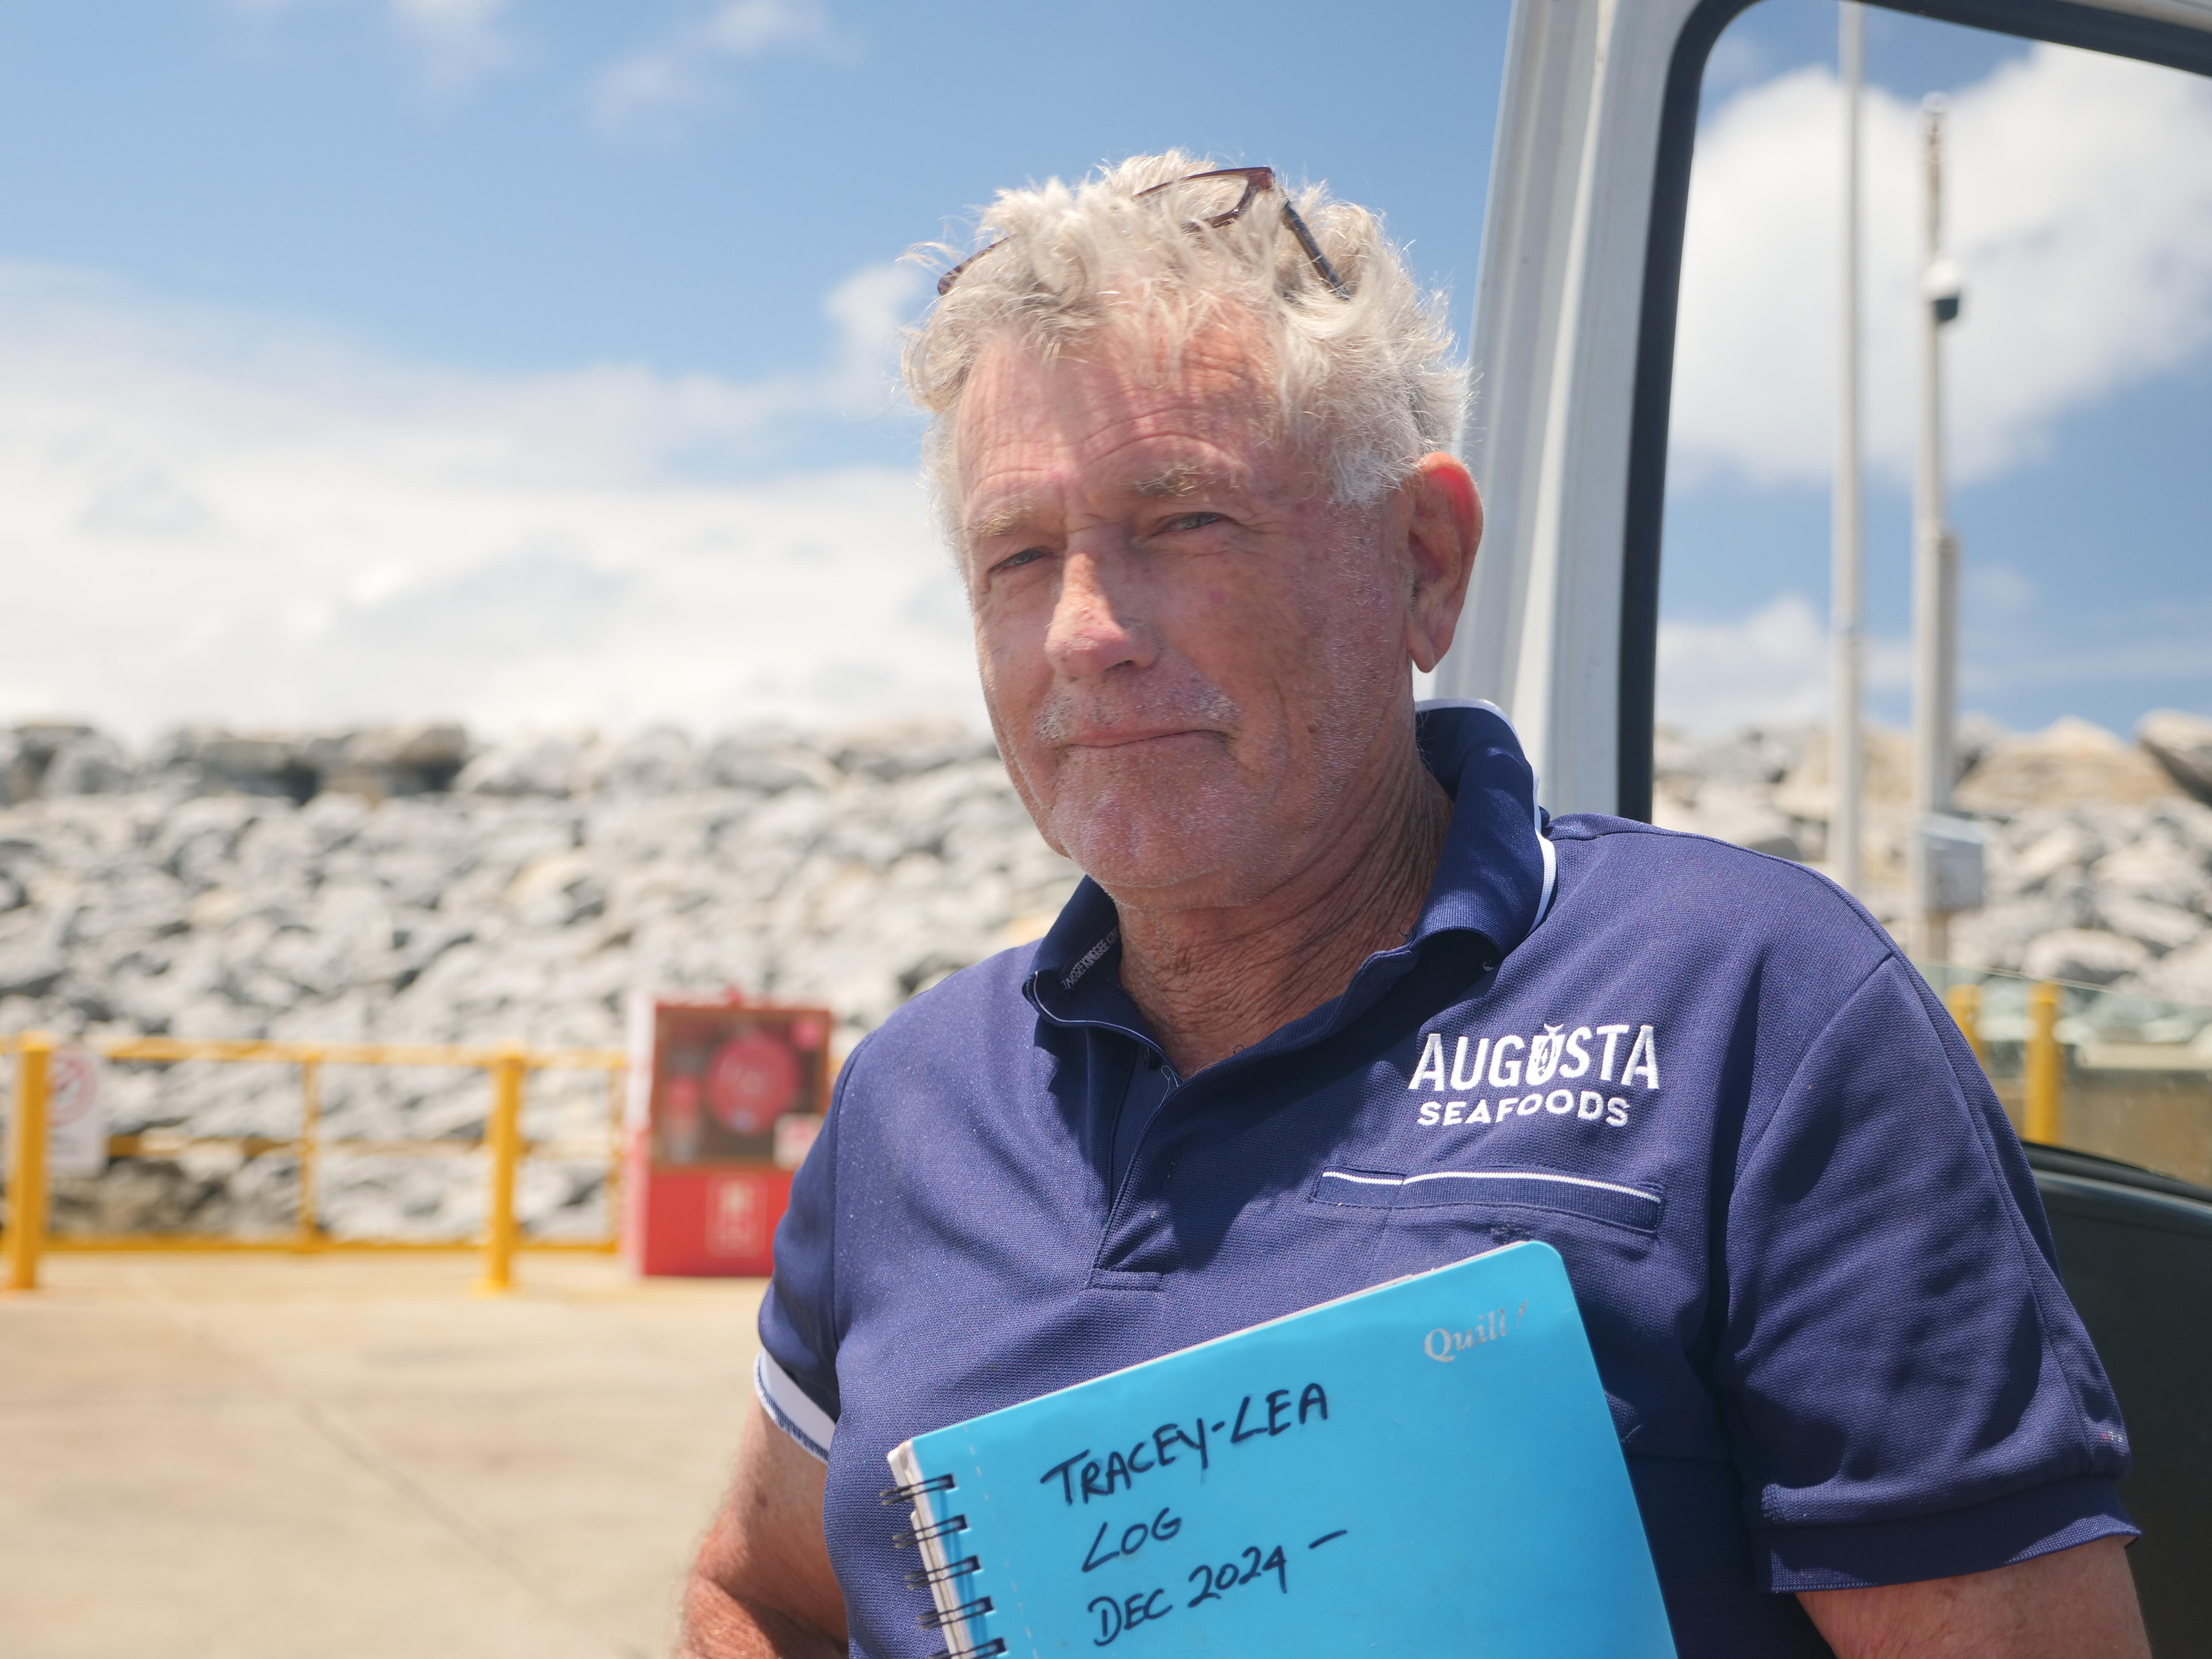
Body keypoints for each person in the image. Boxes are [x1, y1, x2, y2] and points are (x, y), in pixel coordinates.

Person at [680, 154, 2147, 1659]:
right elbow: (758, 1592)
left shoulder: (1751, 1007)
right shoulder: (914, 1100)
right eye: (1018, 554)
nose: (1086, 634)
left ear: (1424, 564)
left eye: (1184, 522)